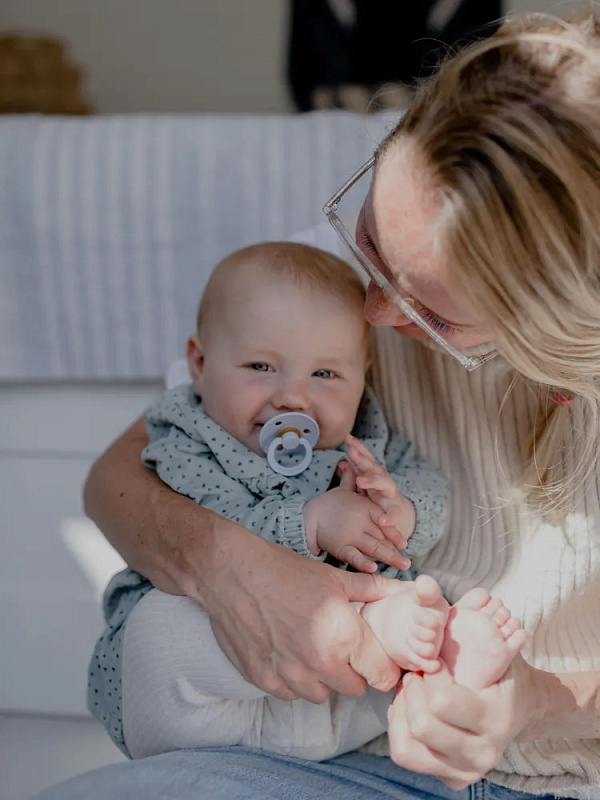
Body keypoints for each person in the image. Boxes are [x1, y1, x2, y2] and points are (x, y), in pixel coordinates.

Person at [36, 8, 600, 800]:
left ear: (555, 324)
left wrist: (536, 701)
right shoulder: (325, 277)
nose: (373, 311)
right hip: (326, 753)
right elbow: (119, 478)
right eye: (369, 239)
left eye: (432, 315)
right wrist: (234, 567)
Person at [89, 240, 524, 760]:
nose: (292, 397)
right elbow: (211, 519)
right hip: (207, 699)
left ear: (363, 375)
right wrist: (308, 524)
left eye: (324, 375)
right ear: (200, 364)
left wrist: (399, 512)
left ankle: (447, 662)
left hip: (337, 701)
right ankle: (379, 632)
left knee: (418, 611)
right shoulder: (188, 435)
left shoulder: (366, 442)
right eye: (260, 366)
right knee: (157, 631)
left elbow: (432, 489)